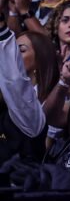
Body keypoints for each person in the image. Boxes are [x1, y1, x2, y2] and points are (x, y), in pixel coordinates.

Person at [0, 16, 48, 164]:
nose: (12, 57)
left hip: (18, 184)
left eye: (19, 50)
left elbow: (14, 82)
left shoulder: (29, 113)